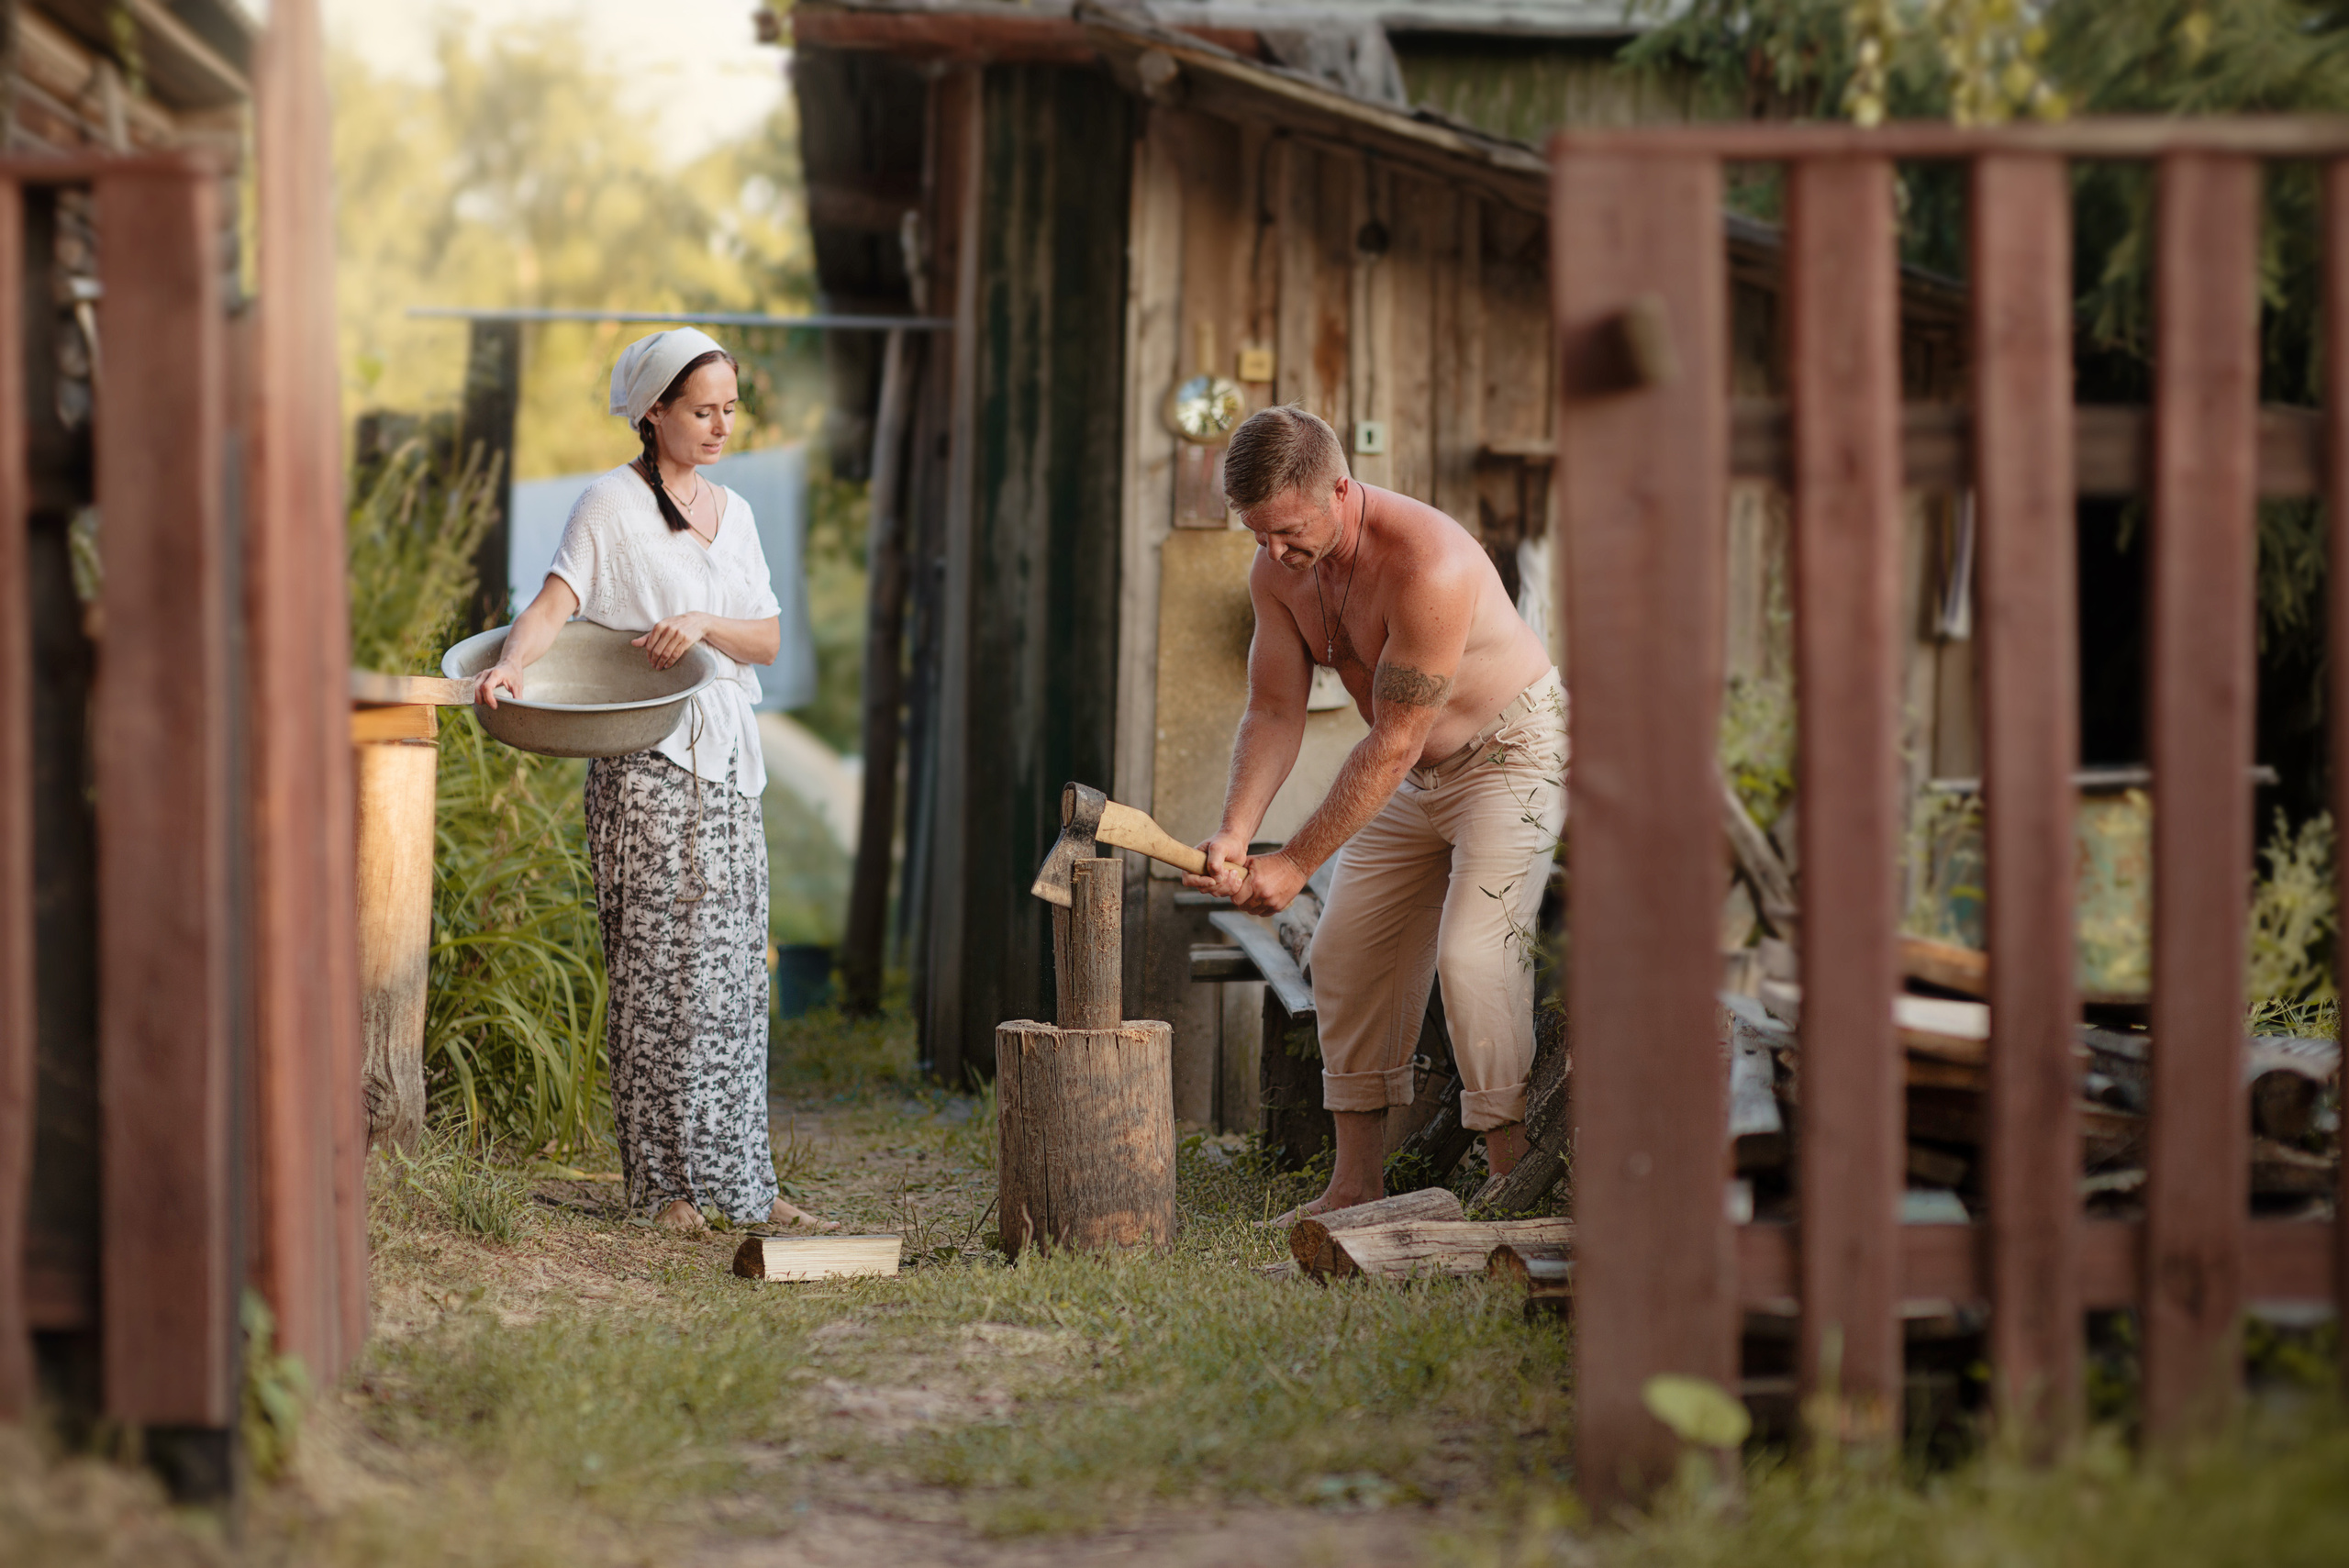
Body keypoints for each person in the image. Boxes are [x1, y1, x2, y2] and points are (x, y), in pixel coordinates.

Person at [477, 328, 831, 1234]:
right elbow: (555, 600)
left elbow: (766, 639)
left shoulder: (737, 512)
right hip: (646, 760)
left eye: (728, 409)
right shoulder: (610, 502)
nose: (718, 426)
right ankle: (667, 1188)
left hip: (727, 763)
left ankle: (745, 1182)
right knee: (658, 973)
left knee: (730, 975)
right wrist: (513, 669)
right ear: (653, 411)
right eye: (700, 409)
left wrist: (704, 620)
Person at [1183, 405, 1564, 1220]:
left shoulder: (1431, 566)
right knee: (1345, 951)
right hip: (1414, 771)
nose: (1274, 553)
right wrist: (1238, 833)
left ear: (1341, 492)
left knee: (1474, 958)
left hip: (1512, 755)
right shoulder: (1276, 571)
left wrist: (1294, 864)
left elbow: (1390, 741)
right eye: (1256, 535)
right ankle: (1356, 1186)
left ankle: (1510, 1191)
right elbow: (1274, 711)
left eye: (1287, 531)